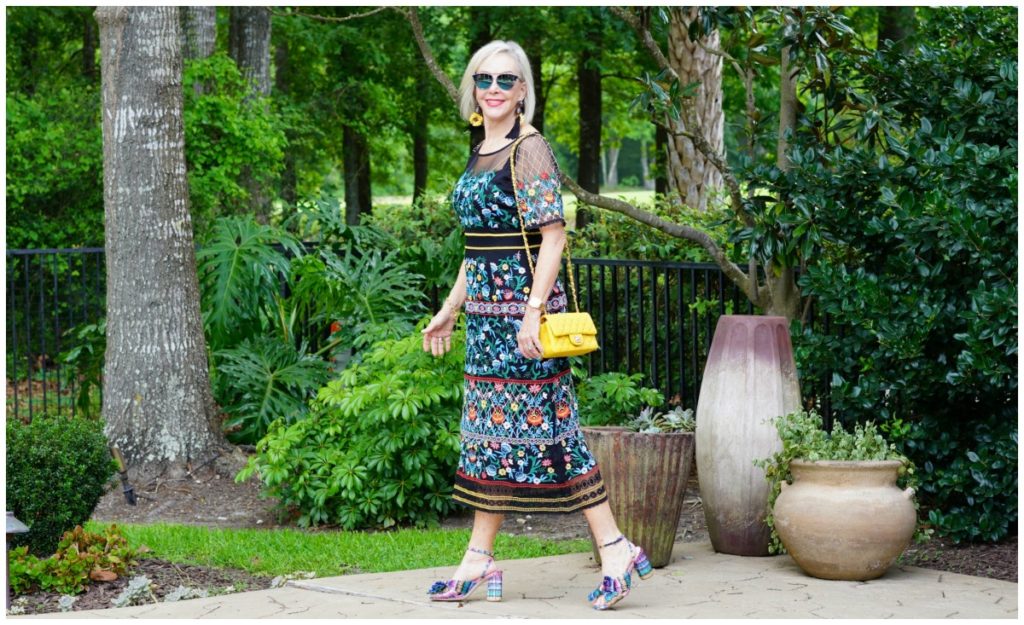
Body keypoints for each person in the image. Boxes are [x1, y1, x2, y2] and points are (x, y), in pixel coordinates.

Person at [420, 40, 652, 611]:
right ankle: (480, 560)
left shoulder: (529, 149)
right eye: (484, 80)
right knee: (487, 439)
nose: (493, 90)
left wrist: (532, 311)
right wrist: (453, 306)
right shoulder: (481, 151)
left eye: (505, 80)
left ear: (523, 89)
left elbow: (554, 235)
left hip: (525, 322)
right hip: (487, 324)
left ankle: (616, 549)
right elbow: (477, 250)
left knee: (556, 435)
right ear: (473, 89)